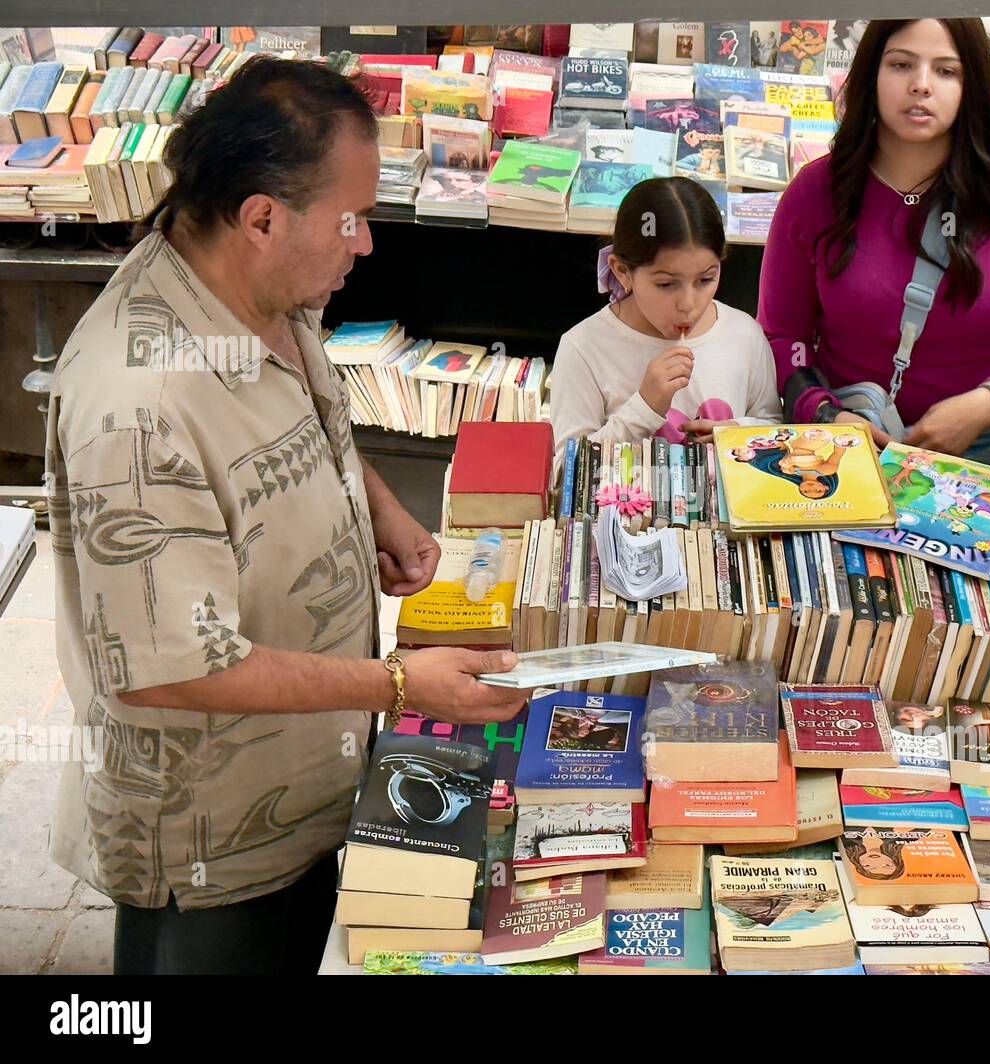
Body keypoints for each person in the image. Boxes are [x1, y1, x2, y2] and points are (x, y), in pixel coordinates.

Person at [46, 57, 531, 975]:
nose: (367, 245)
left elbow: (314, 413)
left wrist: (378, 507)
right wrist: (400, 685)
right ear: (262, 216)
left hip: (304, 780)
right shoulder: (136, 405)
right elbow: (167, 672)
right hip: (213, 839)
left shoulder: (259, 287)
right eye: (352, 219)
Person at [760, 18, 990, 471]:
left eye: (946, 71)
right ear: (870, 74)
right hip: (847, 449)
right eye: (901, 65)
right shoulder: (815, 193)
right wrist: (822, 410)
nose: (921, 85)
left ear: (972, 85)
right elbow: (781, 334)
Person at [548, 177, 781, 453]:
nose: (687, 303)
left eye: (705, 279)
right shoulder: (583, 348)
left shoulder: (744, 335)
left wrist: (736, 434)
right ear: (622, 271)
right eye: (666, 284)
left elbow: (774, 428)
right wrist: (645, 407)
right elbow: (568, 470)